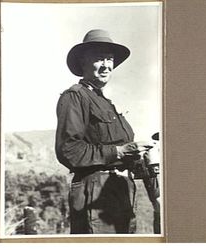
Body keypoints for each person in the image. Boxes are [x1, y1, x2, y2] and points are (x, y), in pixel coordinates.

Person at [55, 29, 157, 234]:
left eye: (109, 59)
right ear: (83, 62)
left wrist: (142, 155)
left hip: (122, 191)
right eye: (99, 58)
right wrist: (118, 151)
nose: (106, 65)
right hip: (95, 191)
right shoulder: (75, 97)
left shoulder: (106, 103)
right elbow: (69, 150)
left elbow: (122, 150)